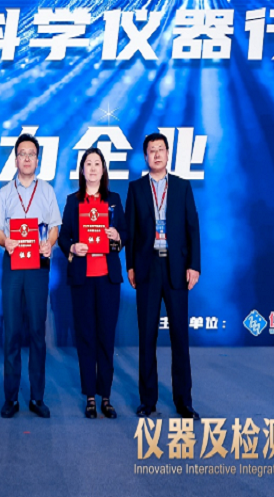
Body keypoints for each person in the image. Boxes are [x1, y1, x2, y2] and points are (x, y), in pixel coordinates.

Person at [125, 133, 201, 420]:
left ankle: (184, 402)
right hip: (147, 268)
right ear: (145, 156)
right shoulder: (136, 189)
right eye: (151, 150)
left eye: (161, 149)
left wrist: (194, 265)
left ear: (168, 154)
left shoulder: (181, 186)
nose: (156, 154)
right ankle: (148, 401)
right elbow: (131, 232)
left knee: (180, 336)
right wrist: (130, 266)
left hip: (177, 267)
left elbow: (193, 227)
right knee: (147, 337)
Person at [0, 133, 62, 418]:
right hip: (12, 265)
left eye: (31, 154)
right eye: (21, 153)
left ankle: (36, 397)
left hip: (37, 267)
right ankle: (11, 398)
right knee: (11, 332)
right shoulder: (5, 192)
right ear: (16, 159)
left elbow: (54, 226)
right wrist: (5, 241)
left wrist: (49, 243)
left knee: (36, 331)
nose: (26, 158)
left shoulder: (46, 190)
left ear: (37, 160)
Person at [58, 148, 126, 419]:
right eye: (89, 163)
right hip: (83, 279)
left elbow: (125, 234)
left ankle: (105, 396)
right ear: (82, 170)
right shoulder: (73, 201)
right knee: (86, 336)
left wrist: (118, 235)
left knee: (106, 337)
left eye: (98, 163)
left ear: (103, 169)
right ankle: (89, 396)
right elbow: (63, 236)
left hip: (108, 278)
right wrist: (73, 247)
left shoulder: (114, 200)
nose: (93, 168)